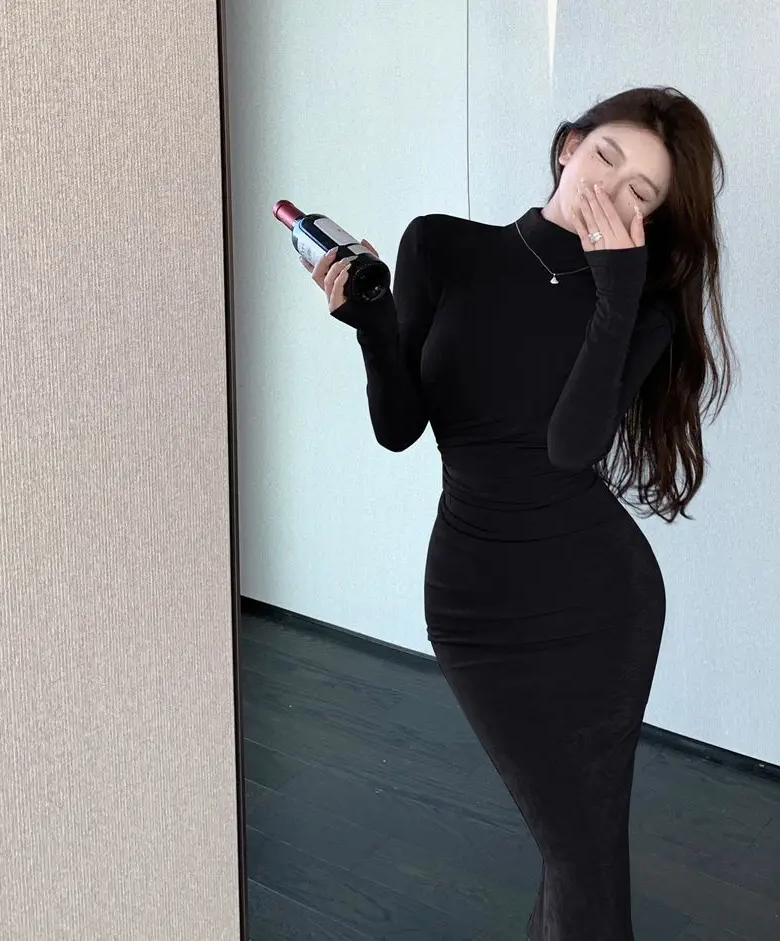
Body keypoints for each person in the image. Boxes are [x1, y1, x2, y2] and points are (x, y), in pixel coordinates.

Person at [301, 85, 736, 941]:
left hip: (600, 606)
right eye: (606, 156)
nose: (609, 189)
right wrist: (372, 324)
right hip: (475, 601)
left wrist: (616, 292)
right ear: (569, 144)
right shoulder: (442, 246)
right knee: (577, 848)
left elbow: (570, 447)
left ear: (648, 221)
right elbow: (400, 428)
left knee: (582, 850)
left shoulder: (639, 309)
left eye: (640, 193)